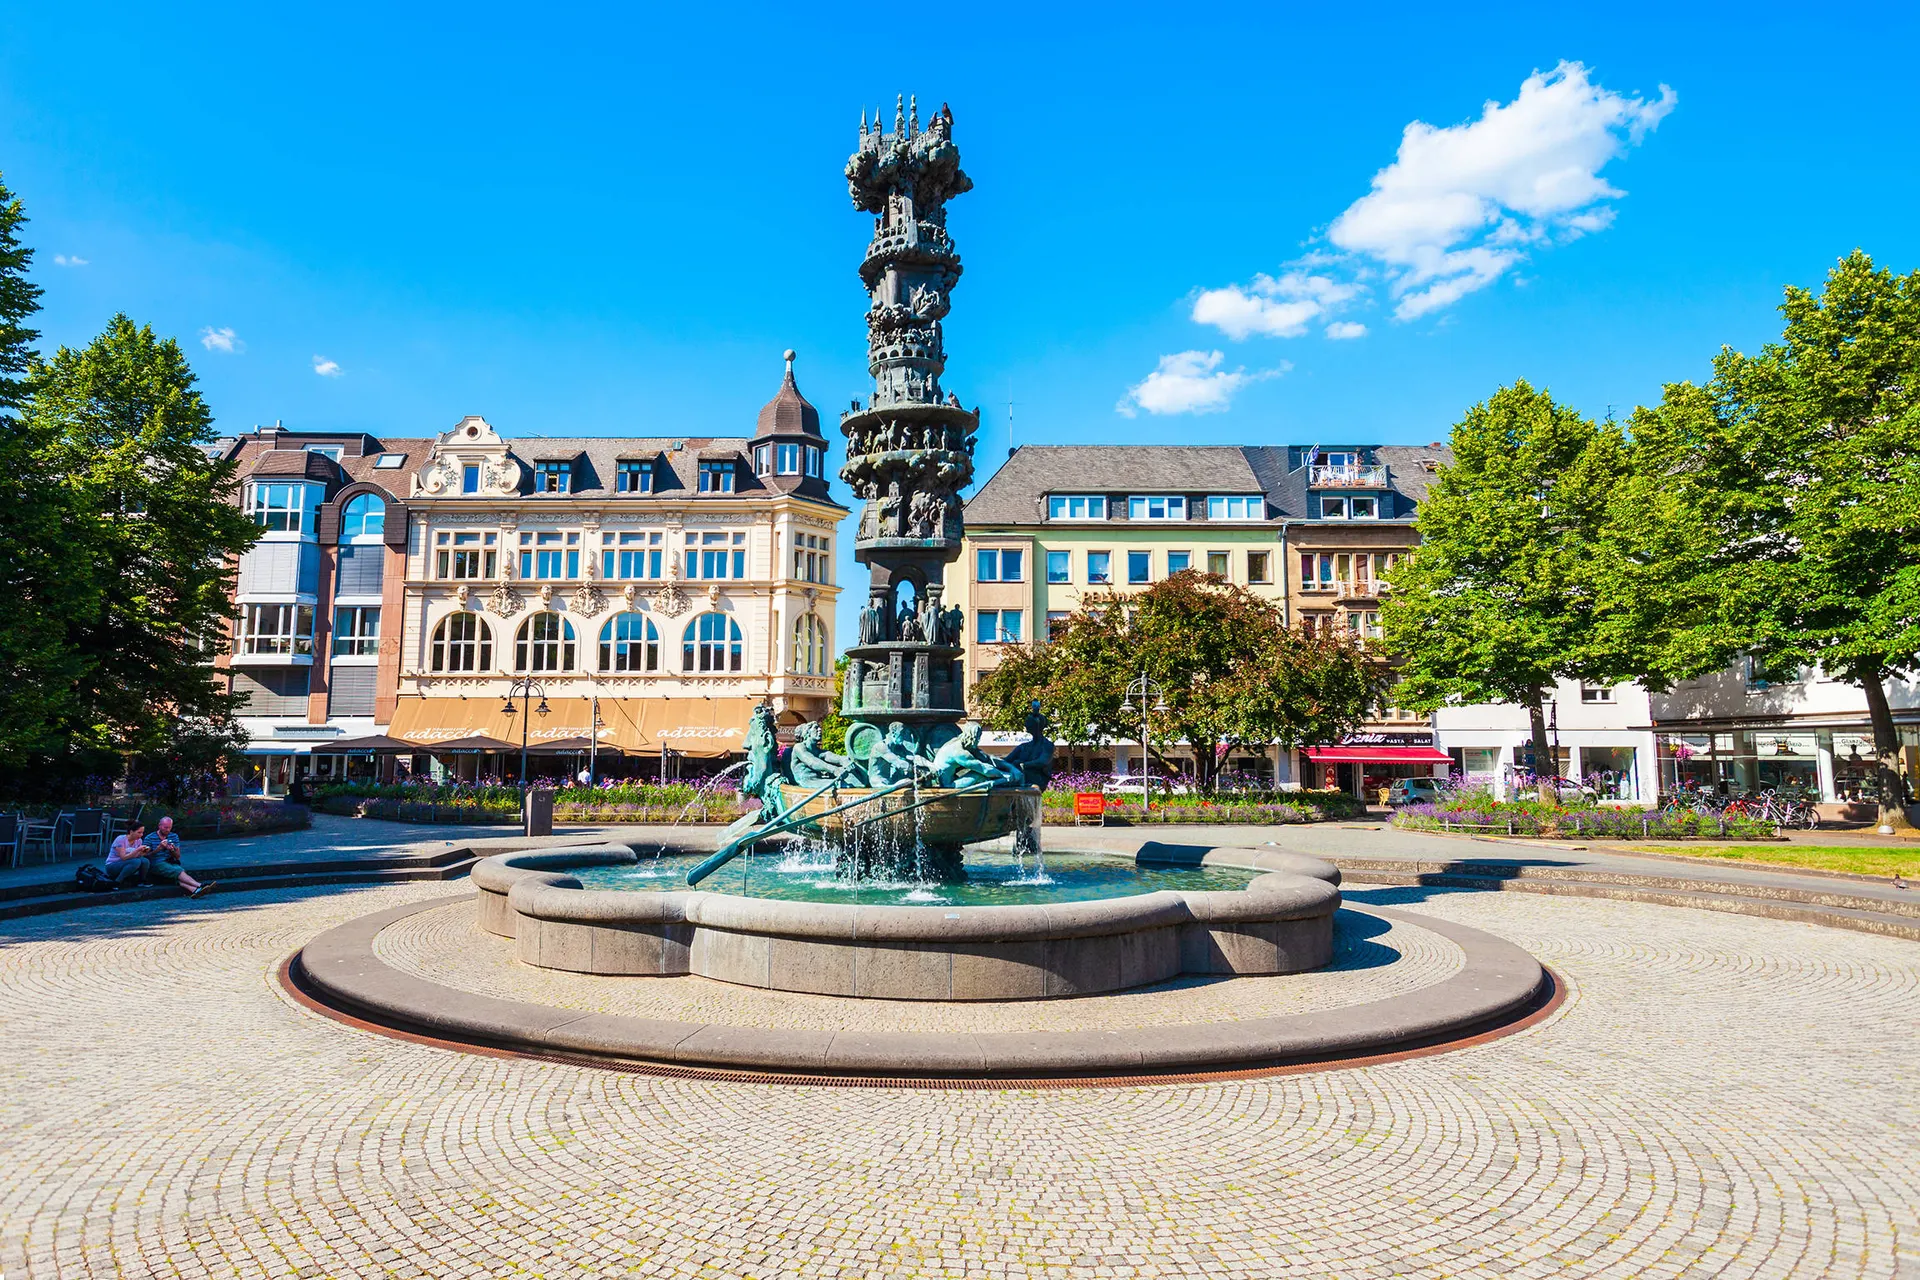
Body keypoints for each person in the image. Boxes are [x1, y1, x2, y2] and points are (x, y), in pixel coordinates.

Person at [143, 816, 213, 897]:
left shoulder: (173, 836)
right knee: (178, 870)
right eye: (165, 827)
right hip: (156, 863)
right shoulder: (150, 838)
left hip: (170, 862)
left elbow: (177, 856)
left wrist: (172, 850)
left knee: (177, 872)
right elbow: (145, 856)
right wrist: (159, 848)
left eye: (169, 828)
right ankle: (200, 885)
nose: (167, 830)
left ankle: (195, 890)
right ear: (159, 826)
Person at [102, 824, 152, 890]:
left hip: (129, 863)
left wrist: (143, 852)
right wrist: (137, 850)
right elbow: (123, 857)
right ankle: (117, 882)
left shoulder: (139, 841)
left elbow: (138, 856)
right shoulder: (121, 839)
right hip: (113, 865)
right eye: (139, 832)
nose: (141, 835)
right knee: (136, 862)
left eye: (142, 833)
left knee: (145, 861)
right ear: (131, 832)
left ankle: (142, 880)